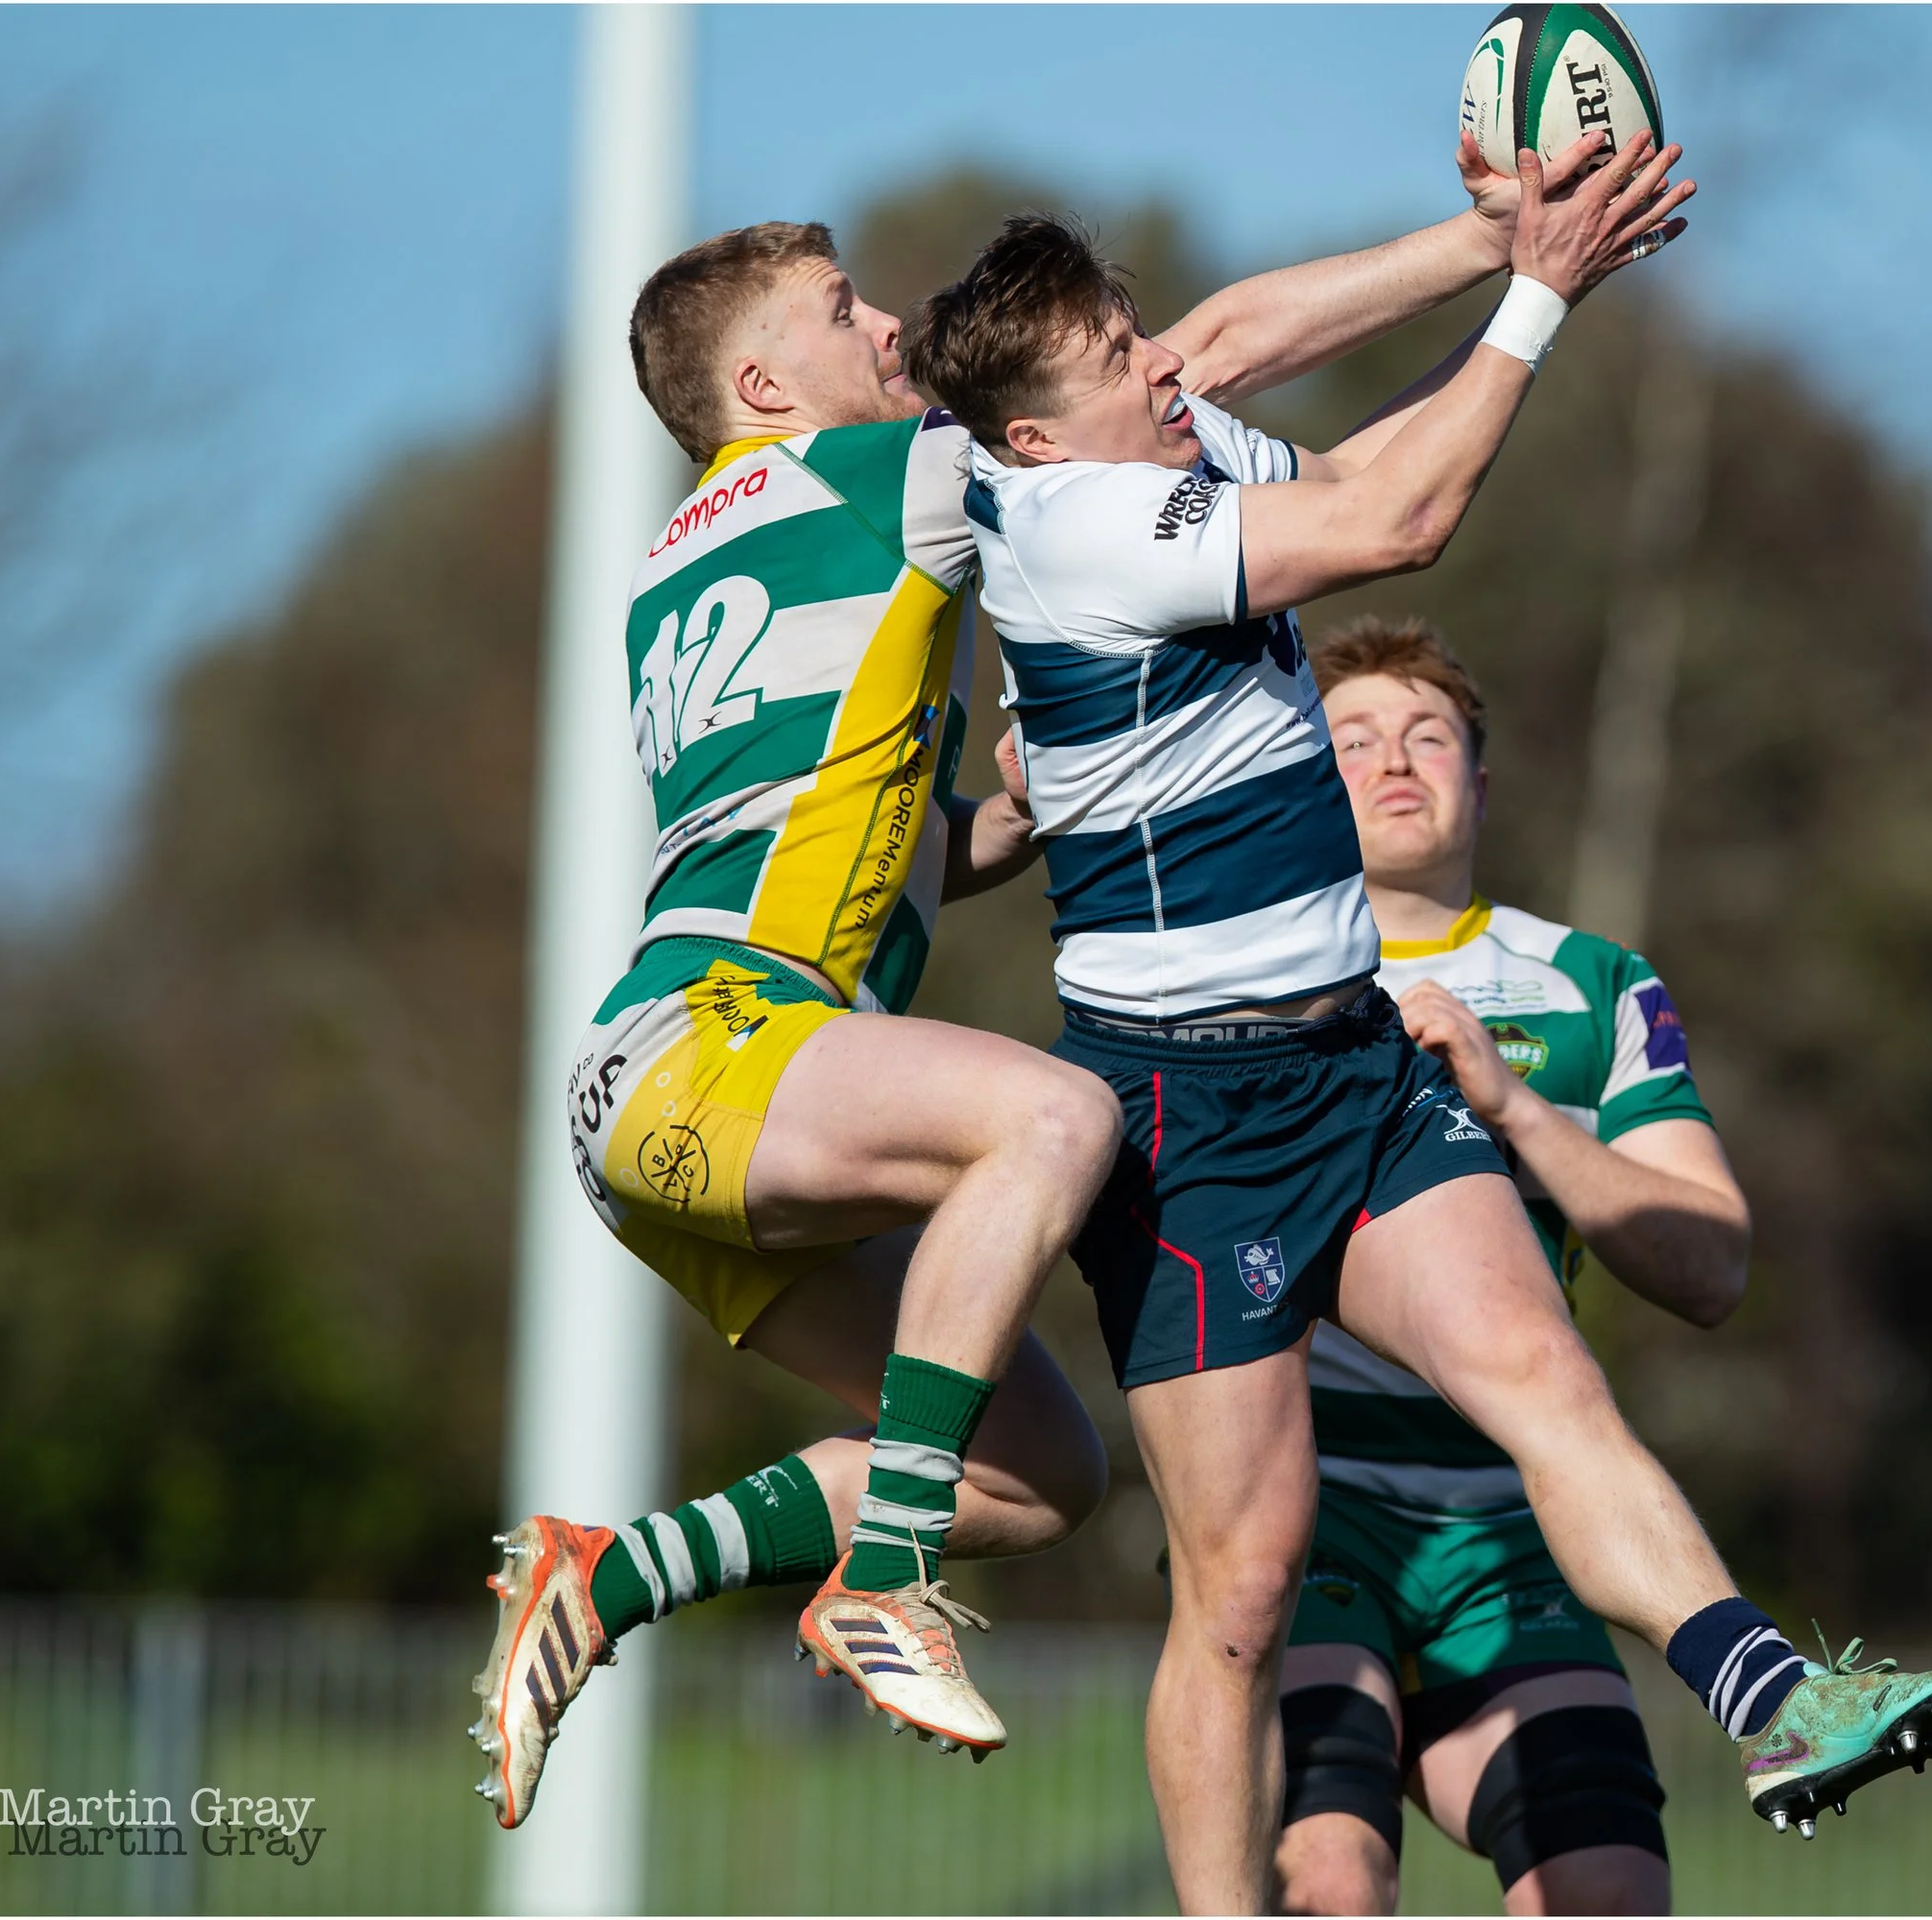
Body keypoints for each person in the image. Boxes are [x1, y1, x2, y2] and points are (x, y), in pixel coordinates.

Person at [474, 142, 1634, 1826]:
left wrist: (1019, 804)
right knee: (1056, 1113)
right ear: (759, 384)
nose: (887, 325)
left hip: (673, 1089)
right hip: (724, 1044)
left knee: (1037, 1471)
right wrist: (1483, 243)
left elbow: (877, 831)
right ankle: (877, 1582)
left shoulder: (676, 563)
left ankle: (615, 1570)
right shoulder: (883, 474)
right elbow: (1199, 353)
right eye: (840, 308)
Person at [902, 134, 1932, 1913]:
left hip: (1350, 1064)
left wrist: (1496, 234)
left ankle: (1776, 1694)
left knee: (1545, 1377)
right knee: (1240, 1593)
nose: (1161, 361)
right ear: (1036, 437)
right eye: (1121, 355)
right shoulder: (1091, 523)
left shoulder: (1153, 446)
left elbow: (1287, 385)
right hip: (1188, 1130)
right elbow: (1396, 516)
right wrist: (1543, 290)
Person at [1273, 616, 1751, 1916]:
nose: (1394, 761)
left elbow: (1712, 1266)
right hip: (1303, 1510)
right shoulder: (1243, 973)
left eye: (1429, 737)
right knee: (1330, 1874)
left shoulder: (1593, 986)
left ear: (1480, 785)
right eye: (1352, 739)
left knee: (1608, 1889)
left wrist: (1521, 1114)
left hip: (1514, 1530)